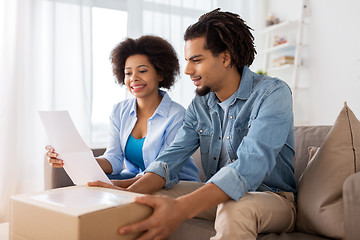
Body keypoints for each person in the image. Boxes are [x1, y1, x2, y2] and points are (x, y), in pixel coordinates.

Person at [89, 8, 297, 240]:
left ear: (225, 58)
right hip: (216, 193)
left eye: (196, 60)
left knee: (236, 207)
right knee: (152, 196)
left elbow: (252, 163)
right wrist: (123, 193)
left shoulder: (272, 93)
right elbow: (168, 159)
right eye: (188, 61)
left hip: (272, 198)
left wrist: (181, 208)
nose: (187, 70)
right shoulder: (200, 105)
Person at [46, 35, 200, 185]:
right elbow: (114, 159)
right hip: (134, 179)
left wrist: (118, 186)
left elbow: (162, 170)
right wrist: (73, 160)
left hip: (174, 183)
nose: (134, 78)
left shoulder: (177, 116)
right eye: (128, 73)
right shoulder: (119, 111)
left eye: (142, 71)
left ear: (160, 73)